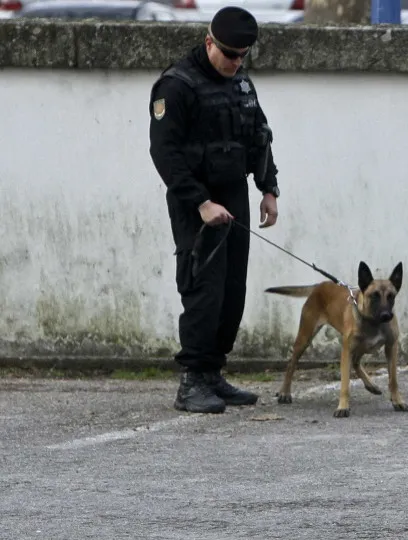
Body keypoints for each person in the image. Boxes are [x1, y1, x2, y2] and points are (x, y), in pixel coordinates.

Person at [148, 6, 280, 414]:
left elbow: (259, 135)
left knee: (232, 289)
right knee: (204, 287)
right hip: (195, 199)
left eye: (243, 55)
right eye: (230, 54)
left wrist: (269, 188)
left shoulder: (241, 83)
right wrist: (201, 202)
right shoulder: (176, 86)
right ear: (209, 42)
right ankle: (191, 381)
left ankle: (213, 373)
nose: (237, 62)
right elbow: (164, 153)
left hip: (234, 191)